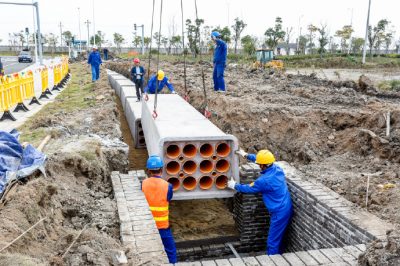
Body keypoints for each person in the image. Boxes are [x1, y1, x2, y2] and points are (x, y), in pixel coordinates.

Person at [228, 149, 293, 255]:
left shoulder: (264, 181)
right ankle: (280, 256)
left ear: (263, 166)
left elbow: (248, 188)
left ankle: (272, 260)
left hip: (279, 213)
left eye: (259, 165)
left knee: (272, 242)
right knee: (279, 237)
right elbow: (261, 160)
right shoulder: (277, 168)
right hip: (285, 206)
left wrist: (234, 185)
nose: (259, 166)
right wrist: (246, 155)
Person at [142, 155, 177, 264]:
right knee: (170, 250)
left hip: (148, 225)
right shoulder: (168, 186)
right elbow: (169, 197)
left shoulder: (143, 183)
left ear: (148, 170)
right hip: (162, 225)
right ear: (162, 169)